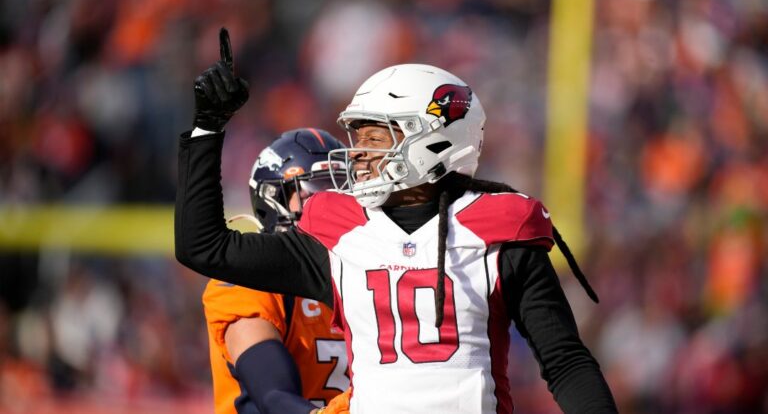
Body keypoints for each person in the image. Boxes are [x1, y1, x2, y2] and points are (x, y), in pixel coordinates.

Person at [177, 28, 617, 413]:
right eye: (358, 138)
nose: (358, 154)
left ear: (433, 141)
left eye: (373, 138)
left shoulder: (498, 234)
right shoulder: (340, 235)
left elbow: (565, 361)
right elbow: (203, 247)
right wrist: (207, 128)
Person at [202, 128, 351, 414]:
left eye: (344, 190)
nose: (335, 204)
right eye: (316, 192)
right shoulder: (248, 279)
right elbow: (272, 395)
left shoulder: (364, 270)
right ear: (273, 199)